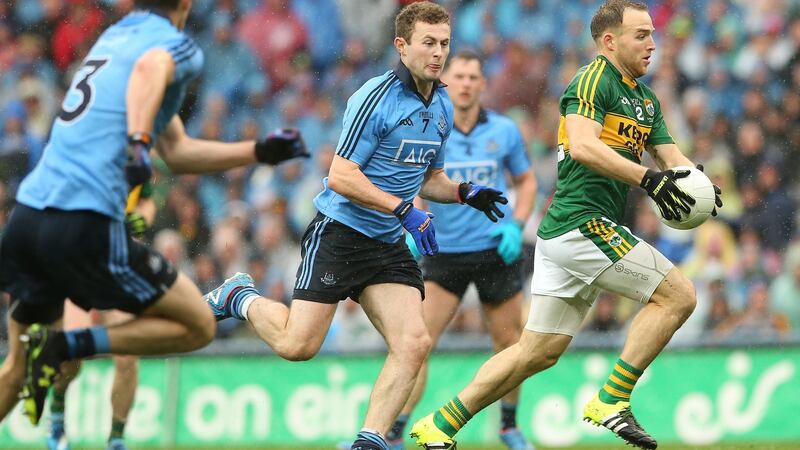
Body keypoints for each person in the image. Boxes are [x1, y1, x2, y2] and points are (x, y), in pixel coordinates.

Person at [408, 1, 723, 449]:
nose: (653, 44)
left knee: (534, 353)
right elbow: (581, 146)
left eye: (653, 34)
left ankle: (438, 426)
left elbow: (671, 158)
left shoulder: (646, 101)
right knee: (678, 295)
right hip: (582, 224)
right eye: (641, 35)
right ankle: (613, 399)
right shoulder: (593, 80)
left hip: (570, 234)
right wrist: (648, 179)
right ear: (609, 41)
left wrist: (700, 185)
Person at [203, 3, 507, 450]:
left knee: (415, 341)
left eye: (444, 42)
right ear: (401, 46)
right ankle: (238, 296)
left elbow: (429, 177)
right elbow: (342, 175)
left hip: (385, 243)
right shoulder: (375, 96)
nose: (439, 52)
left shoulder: (441, 102)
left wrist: (465, 192)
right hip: (341, 233)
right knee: (298, 346)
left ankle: (369, 440)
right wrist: (403, 210)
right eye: (429, 42)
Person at [0, 0, 307, 427]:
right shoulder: (177, 44)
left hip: (28, 219)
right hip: (82, 225)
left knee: (14, 370)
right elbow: (152, 68)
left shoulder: (114, 38)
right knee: (199, 324)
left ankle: (61, 354)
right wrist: (139, 143)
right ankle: (67, 348)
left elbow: (177, 151)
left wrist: (257, 151)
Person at [389, 50, 537, 450]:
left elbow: (526, 182)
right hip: (443, 253)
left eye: (474, 76)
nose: (468, 82)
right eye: (461, 76)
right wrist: (413, 219)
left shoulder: (504, 131)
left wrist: (517, 227)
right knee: (417, 343)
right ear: (446, 82)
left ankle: (508, 426)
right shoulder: (430, 127)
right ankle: (395, 432)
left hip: (495, 250)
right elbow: (414, 180)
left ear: (483, 84)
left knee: (510, 345)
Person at [47, 184, 157, 450]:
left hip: (119, 271)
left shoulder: (134, 156)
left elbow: (147, 201)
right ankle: (57, 415)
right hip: (78, 268)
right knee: (73, 350)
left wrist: (140, 220)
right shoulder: (80, 158)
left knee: (128, 355)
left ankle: (116, 439)